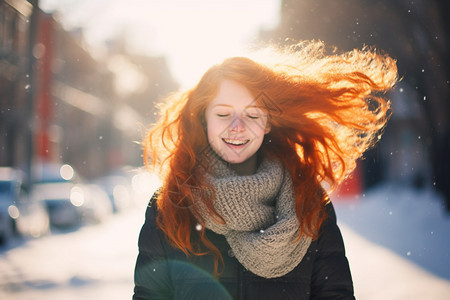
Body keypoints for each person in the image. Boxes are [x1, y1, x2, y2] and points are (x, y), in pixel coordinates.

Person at [133, 40, 398, 300]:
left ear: (268, 123)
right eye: (223, 114)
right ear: (204, 119)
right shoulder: (171, 205)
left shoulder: (309, 204)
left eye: (252, 115)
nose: (237, 127)